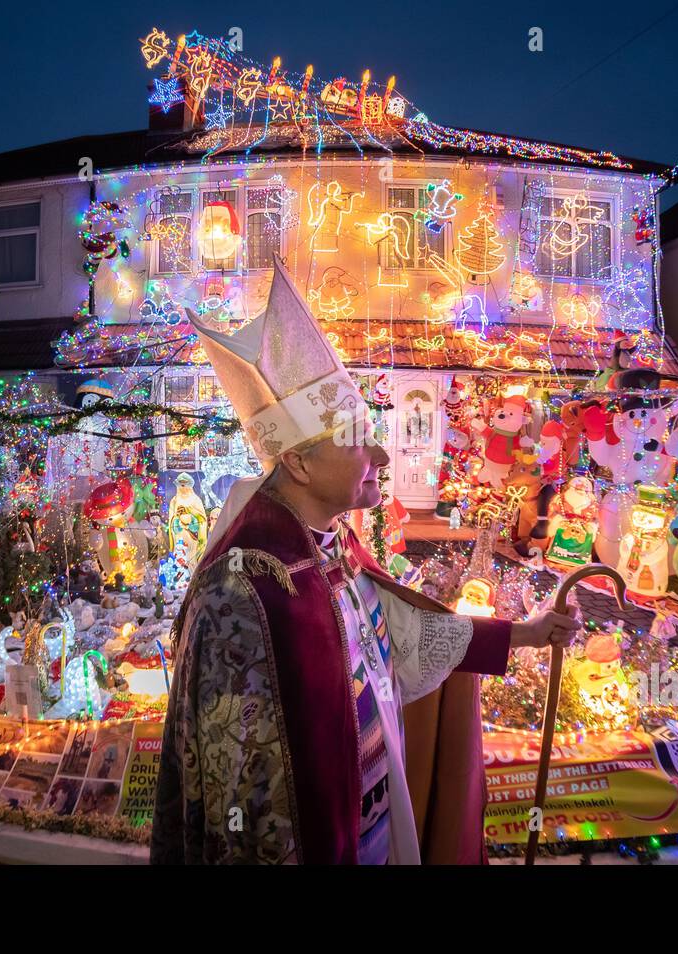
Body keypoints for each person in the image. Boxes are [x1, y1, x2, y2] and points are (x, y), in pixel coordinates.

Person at [151, 257, 579, 865]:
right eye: (355, 439)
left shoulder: (333, 547)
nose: (378, 452)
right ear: (298, 465)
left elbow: (407, 634)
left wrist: (525, 636)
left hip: (371, 819)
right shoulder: (243, 589)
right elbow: (235, 793)